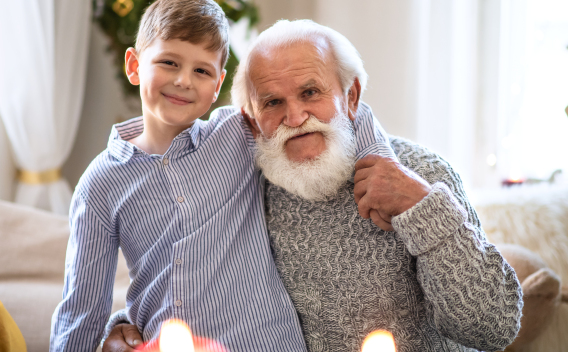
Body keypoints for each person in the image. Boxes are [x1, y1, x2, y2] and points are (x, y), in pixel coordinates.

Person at [104, 20, 523, 352]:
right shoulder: (248, 182)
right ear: (251, 119)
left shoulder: (418, 172)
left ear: (351, 96)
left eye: (310, 92)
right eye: (273, 102)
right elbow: (194, 276)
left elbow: (494, 326)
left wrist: (423, 206)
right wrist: (130, 324)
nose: (295, 116)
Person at [49, 0, 310, 351]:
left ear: (217, 85)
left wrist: (381, 157)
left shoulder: (239, 134)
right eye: (169, 63)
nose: (184, 80)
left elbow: (342, 113)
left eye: (201, 70)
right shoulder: (99, 185)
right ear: (135, 65)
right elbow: (81, 309)